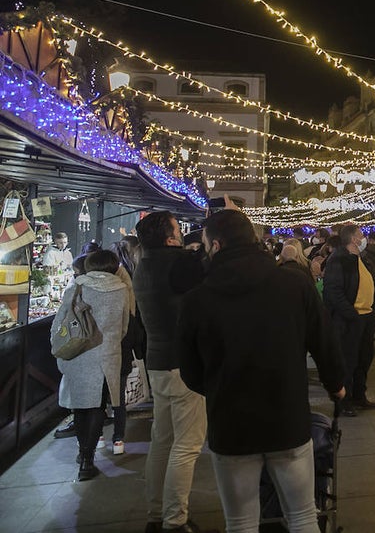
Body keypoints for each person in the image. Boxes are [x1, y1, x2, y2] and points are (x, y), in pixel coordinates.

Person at [177, 210, 345, 533]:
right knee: (303, 516)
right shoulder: (294, 284)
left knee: (240, 522)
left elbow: (190, 371)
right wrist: (335, 384)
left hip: (232, 425)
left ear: (215, 245)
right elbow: (324, 340)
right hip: (287, 417)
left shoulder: (197, 300)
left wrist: (219, 387)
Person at [134, 211, 208, 533]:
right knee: (187, 445)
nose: (181, 233)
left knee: (161, 441)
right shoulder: (177, 264)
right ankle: (175, 521)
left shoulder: (144, 264)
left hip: (158, 362)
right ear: (169, 237)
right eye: (177, 229)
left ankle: (156, 514)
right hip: (183, 365)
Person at [53, 250, 130, 481]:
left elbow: (59, 322)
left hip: (79, 355)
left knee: (80, 407)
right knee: (98, 407)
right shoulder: (122, 290)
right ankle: (88, 460)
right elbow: (124, 327)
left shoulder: (77, 286)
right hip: (108, 356)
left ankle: (82, 452)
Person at [323, 225, 375, 416]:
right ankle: (344, 401)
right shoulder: (338, 260)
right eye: (361, 235)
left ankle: (359, 396)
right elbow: (333, 292)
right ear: (354, 239)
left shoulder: (361, 258)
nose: (364, 238)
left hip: (366, 317)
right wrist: (351, 314)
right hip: (350, 320)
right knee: (347, 361)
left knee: (364, 358)